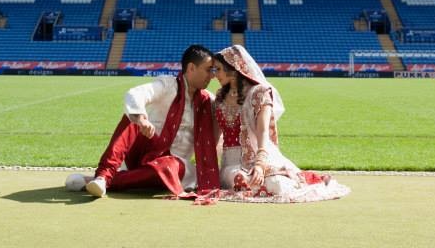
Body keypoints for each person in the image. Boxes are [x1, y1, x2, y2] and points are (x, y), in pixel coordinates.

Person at [66, 44, 220, 198]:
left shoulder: (209, 101)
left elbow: (222, 130)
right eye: (208, 70)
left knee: (168, 166)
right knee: (131, 117)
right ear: (191, 68)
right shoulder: (168, 85)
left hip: (174, 164)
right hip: (145, 151)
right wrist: (140, 118)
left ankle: (99, 181)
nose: (212, 76)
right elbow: (135, 94)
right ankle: (103, 174)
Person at [212, 45, 350, 203]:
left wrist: (260, 163)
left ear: (233, 68)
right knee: (239, 179)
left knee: (277, 185)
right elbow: (216, 137)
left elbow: (263, 132)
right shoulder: (220, 98)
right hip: (231, 163)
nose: (214, 75)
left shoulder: (259, 93)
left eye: (218, 69)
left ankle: (296, 177)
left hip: (259, 155)